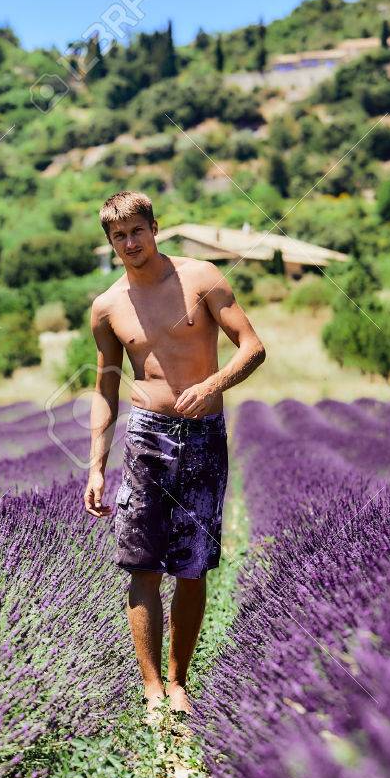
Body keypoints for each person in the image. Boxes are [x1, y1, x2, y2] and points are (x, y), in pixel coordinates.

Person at [82, 191, 266, 716]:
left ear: (155, 228)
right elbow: (104, 389)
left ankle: (180, 683)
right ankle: (151, 687)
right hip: (145, 436)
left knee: (192, 566)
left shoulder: (202, 278)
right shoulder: (108, 306)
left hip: (204, 433)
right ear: (110, 243)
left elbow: (252, 346)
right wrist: (95, 467)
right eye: (119, 236)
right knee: (141, 565)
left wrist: (215, 384)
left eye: (137, 231)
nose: (130, 243)